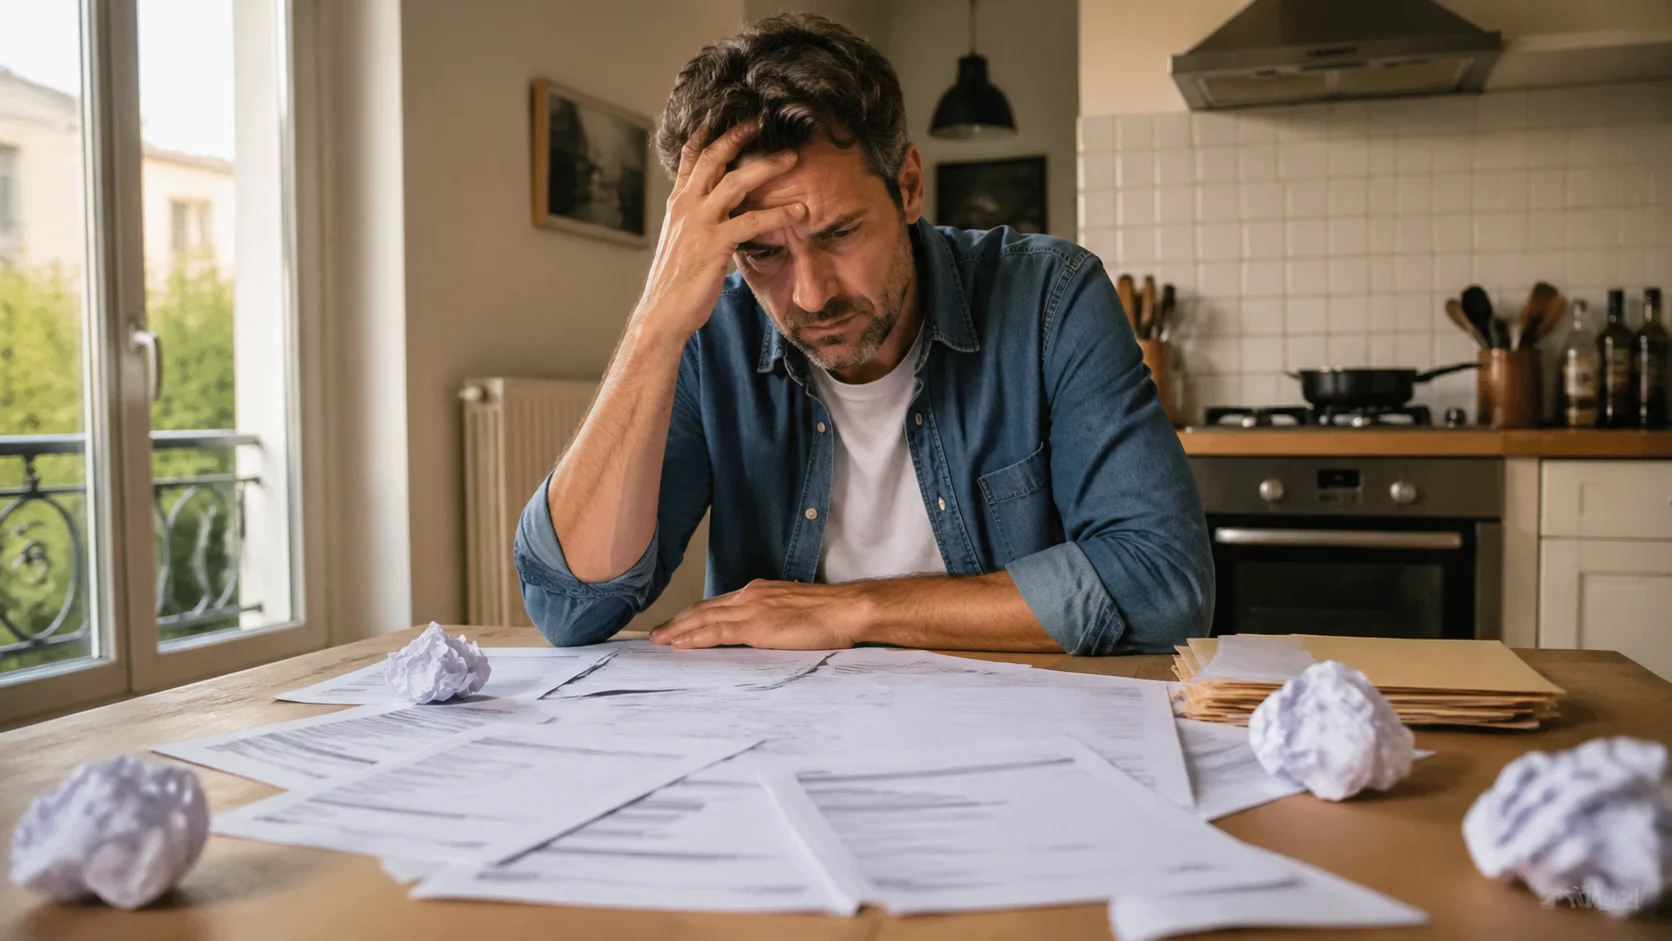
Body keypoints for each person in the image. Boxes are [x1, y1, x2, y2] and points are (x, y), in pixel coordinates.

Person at [514, 14, 1211, 656]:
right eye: (764, 252)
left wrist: (853, 611)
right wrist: (652, 328)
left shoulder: (1050, 300)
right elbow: (570, 607)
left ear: (908, 186)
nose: (811, 294)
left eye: (840, 233)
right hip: (776, 748)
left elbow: (1163, 585)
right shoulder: (709, 334)